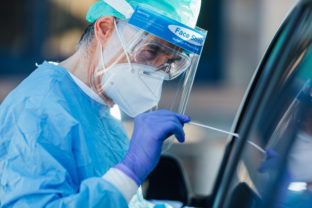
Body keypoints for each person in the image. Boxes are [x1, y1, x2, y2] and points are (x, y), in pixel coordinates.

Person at [0, 0, 204, 207]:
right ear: (105, 29)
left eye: (168, 63)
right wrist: (130, 170)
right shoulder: (37, 108)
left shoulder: (101, 108)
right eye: (150, 52)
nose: (156, 72)